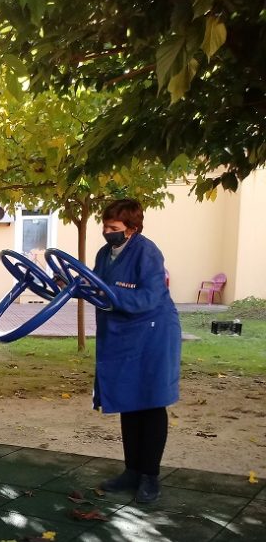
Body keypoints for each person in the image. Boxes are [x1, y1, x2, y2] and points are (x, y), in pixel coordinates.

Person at [91, 198, 181, 504]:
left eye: (114, 227)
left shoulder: (147, 252)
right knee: (129, 402)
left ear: (132, 228)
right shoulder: (105, 254)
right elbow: (95, 286)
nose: (107, 232)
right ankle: (132, 470)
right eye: (104, 226)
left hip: (152, 335)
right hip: (123, 336)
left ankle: (150, 477)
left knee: (151, 402)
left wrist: (109, 293)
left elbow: (149, 298)